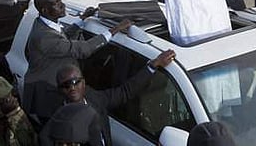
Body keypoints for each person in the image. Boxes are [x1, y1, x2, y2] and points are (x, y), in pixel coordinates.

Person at [22, 0, 131, 123]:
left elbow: (63, 38)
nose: (63, 5)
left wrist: (82, 19)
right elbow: (82, 50)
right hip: (47, 97)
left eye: (61, 0)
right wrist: (114, 30)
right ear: (45, 10)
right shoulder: (43, 37)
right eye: (57, 3)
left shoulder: (45, 23)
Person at [40, 50, 175, 146]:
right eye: (66, 85)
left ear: (84, 82)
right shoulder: (55, 122)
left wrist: (153, 66)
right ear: (59, 89)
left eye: (76, 82)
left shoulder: (95, 98)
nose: (72, 88)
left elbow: (125, 91)